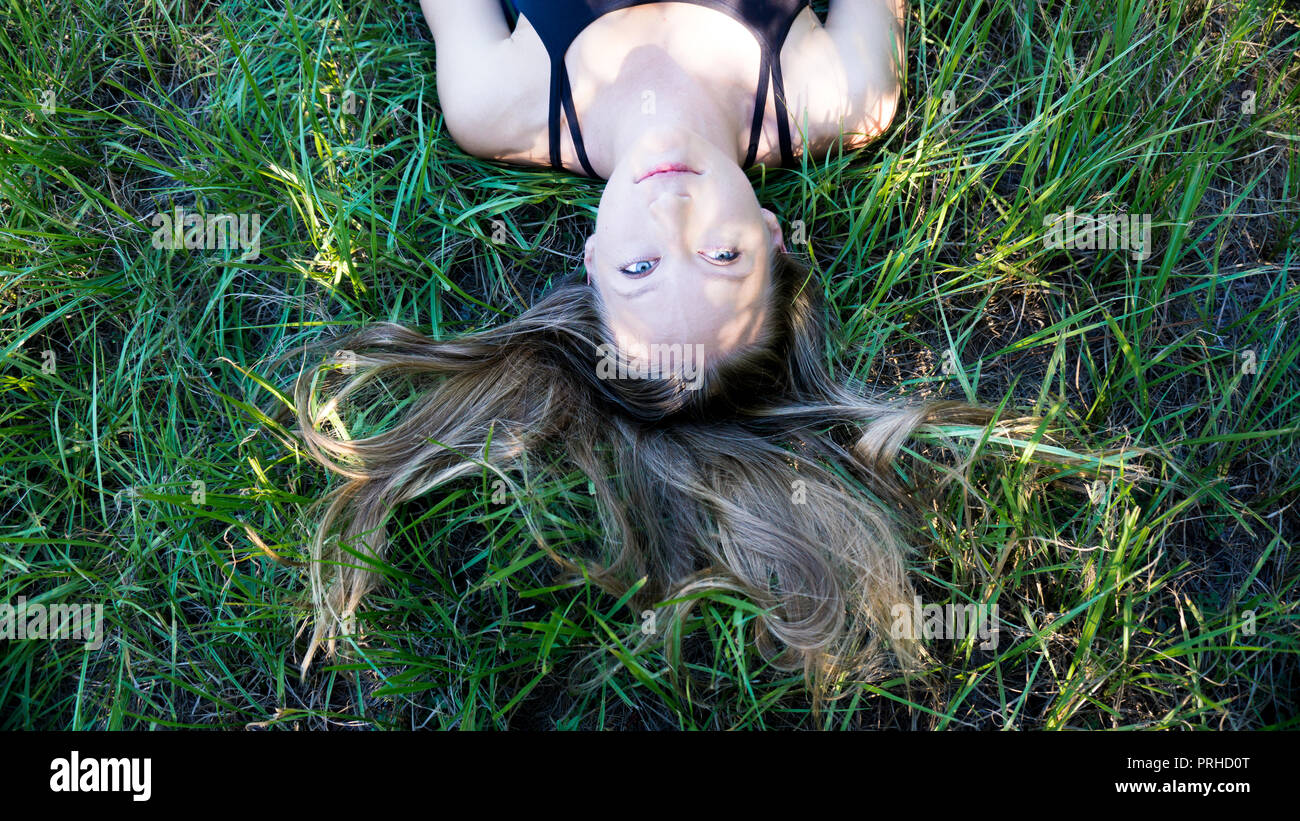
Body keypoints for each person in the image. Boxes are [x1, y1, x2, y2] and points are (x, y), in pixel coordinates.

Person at [286, 0, 994, 694]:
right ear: (774, 236)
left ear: (592, 263)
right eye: (723, 254)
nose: (672, 213)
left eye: (640, 270)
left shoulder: (497, 104)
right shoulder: (845, 93)